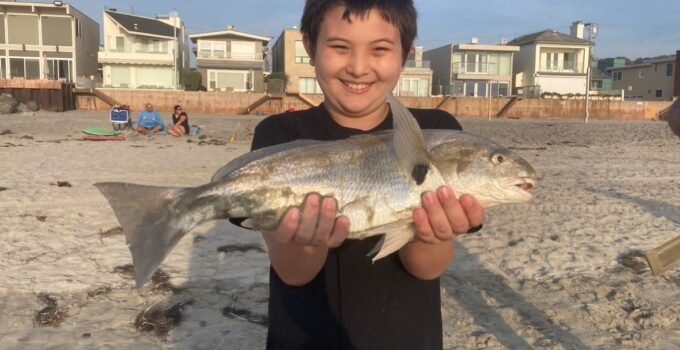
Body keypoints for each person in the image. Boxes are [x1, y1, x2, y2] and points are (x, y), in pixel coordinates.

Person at [248, 1, 485, 349]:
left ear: (404, 53)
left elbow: (426, 268)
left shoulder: (438, 133)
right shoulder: (281, 137)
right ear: (311, 47)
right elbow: (294, 272)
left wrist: (431, 233)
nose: (358, 68)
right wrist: (307, 241)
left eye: (380, 49)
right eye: (340, 47)